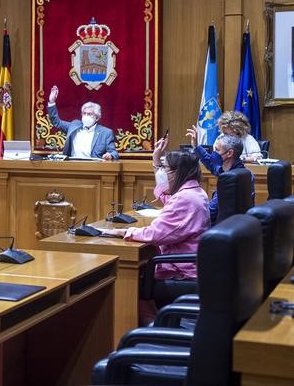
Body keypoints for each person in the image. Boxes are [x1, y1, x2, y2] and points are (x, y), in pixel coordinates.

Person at [104, 137, 210, 315]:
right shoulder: (195, 191)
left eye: (166, 169)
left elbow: (154, 234)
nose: (164, 172)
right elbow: (168, 198)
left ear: (177, 173)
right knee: (142, 269)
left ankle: (149, 324)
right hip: (193, 264)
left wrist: (121, 231)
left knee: (128, 282)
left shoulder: (185, 199)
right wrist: (156, 159)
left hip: (183, 270)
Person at [186, 127, 253, 224]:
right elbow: (210, 162)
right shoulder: (242, 172)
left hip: (223, 227)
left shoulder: (230, 179)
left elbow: (210, 212)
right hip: (240, 226)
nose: (213, 153)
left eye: (217, 150)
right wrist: (196, 146)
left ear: (229, 153)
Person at [46, 85, 118, 160]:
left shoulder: (106, 133)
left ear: (97, 118)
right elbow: (56, 122)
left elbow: (114, 152)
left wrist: (110, 155)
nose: (86, 116)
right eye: (84, 113)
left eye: (89, 114)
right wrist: (51, 102)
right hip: (73, 165)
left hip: (94, 167)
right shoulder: (74, 125)